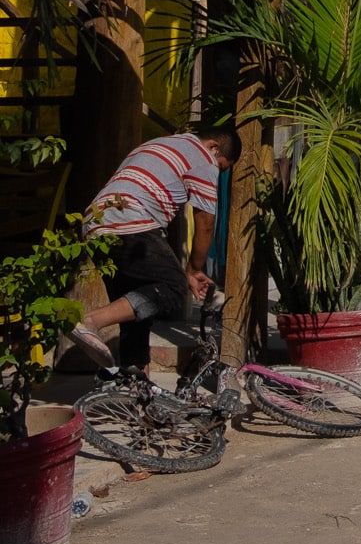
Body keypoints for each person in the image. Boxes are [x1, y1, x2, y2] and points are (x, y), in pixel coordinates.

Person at [68, 124, 242, 369]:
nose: (218, 172)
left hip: (95, 225)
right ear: (214, 147)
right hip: (130, 220)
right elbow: (205, 223)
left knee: (136, 313)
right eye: (222, 166)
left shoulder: (158, 143)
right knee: (173, 286)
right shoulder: (203, 157)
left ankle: (133, 384)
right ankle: (90, 322)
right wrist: (193, 270)